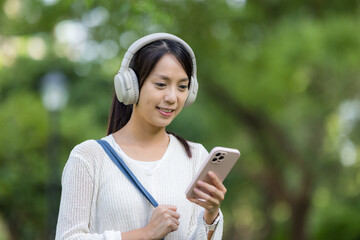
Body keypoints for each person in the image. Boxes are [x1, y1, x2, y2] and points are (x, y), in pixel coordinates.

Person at [55, 33, 226, 240]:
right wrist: (144, 234)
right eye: (161, 84)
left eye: (182, 86)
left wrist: (211, 214)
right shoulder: (89, 157)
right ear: (131, 86)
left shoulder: (196, 157)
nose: (172, 97)